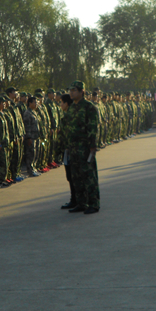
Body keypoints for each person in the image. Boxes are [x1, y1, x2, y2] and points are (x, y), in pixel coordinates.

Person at [66, 81, 100, 215]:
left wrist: (92, 146)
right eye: (70, 90)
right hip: (73, 147)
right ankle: (81, 203)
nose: (71, 93)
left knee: (89, 176)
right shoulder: (72, 108)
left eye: (74, 90)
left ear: (82, 92)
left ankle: (94, 203)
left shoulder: (89, 107)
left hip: (85, 147)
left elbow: (92, 128)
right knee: (76, 176)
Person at [58, 93, 76, 209]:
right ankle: (74, 199)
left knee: (72, 175)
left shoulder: (69, 116)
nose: (60, 105)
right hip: (68, 149)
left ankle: (75, 200)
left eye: (61, 102)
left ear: (66, 103)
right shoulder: (69, 114)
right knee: (71, 176)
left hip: (70, 149)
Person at [22, 96, 41, 177]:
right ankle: (30, 170)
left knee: (35, 153)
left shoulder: (34, 112)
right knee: (30, 154)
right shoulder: (27, 113)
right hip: (31, 137)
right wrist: (28, 137)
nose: (36, 104)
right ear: (30, 103)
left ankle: (34, 168)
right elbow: (27, 126)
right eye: (35, 102)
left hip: (36, 136)